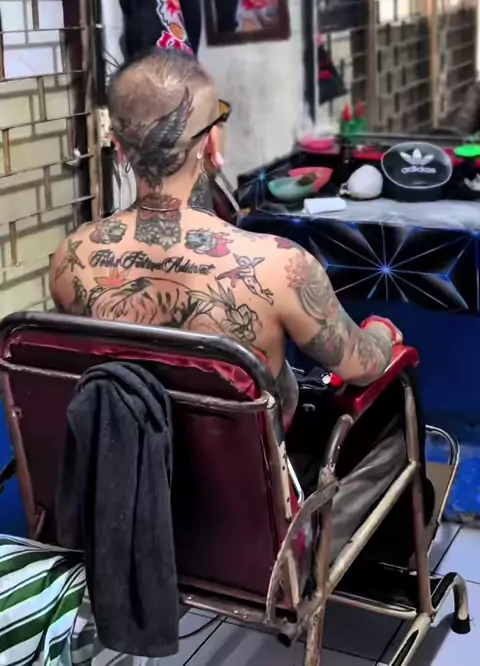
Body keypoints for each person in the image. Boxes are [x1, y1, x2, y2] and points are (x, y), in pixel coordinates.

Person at [50, 47, 433, 564]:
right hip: (250, 523)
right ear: (211, 144)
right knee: (394, 390)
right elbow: (362, 367)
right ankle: (367, 559)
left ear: (118, 146)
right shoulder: (278, 265)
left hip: (130, 495)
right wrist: (383, 331)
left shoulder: (72, 258)